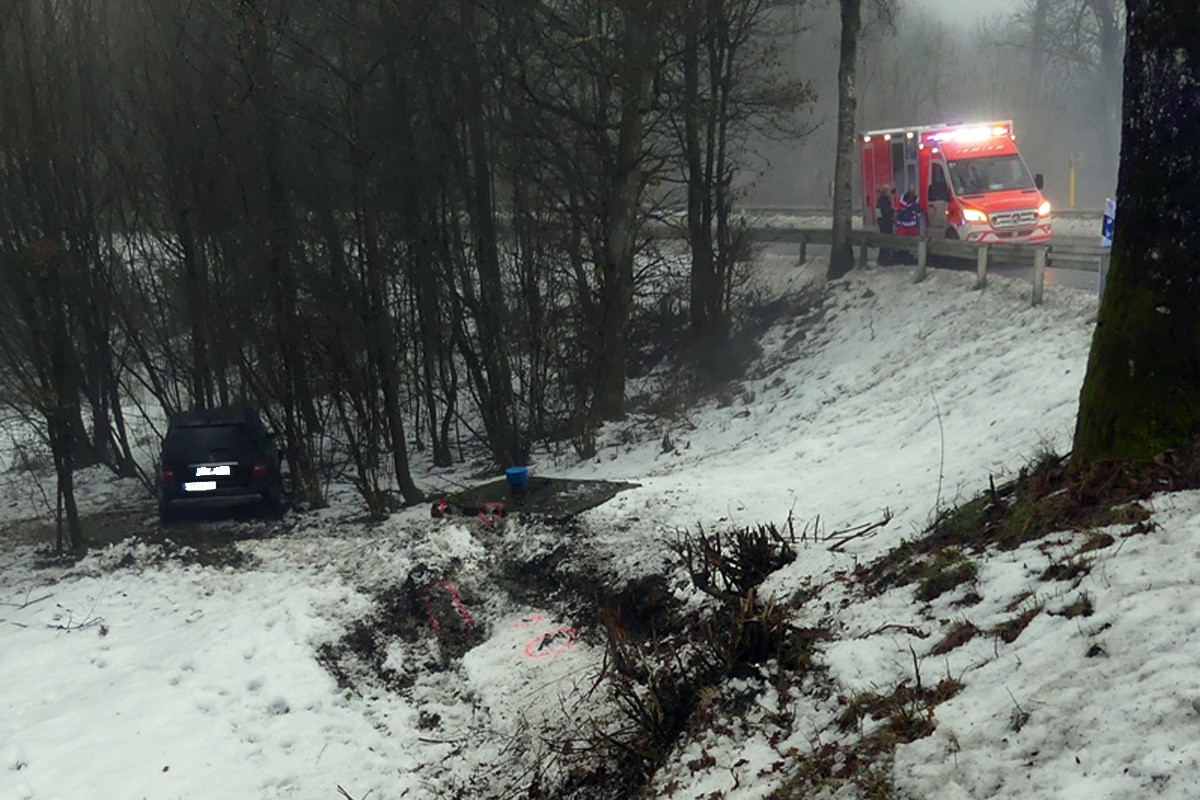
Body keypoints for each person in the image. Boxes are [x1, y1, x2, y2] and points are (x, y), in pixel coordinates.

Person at [895, 188, 921, 263]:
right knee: (903, 241)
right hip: (904, 224)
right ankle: (903, 256)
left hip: (909, 225)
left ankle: (907, 256)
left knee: (910, 241)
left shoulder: (915, 201)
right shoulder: (902, 201)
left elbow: (918, 212)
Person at [875, 184, 895, 265]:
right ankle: (885, 260)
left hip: (884, 223)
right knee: (886, 242)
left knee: (884, 243)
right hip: (885, 224)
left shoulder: (882, 200)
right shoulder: (883, 201)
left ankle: (883, 259)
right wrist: (884, 221)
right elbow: (882, 213)